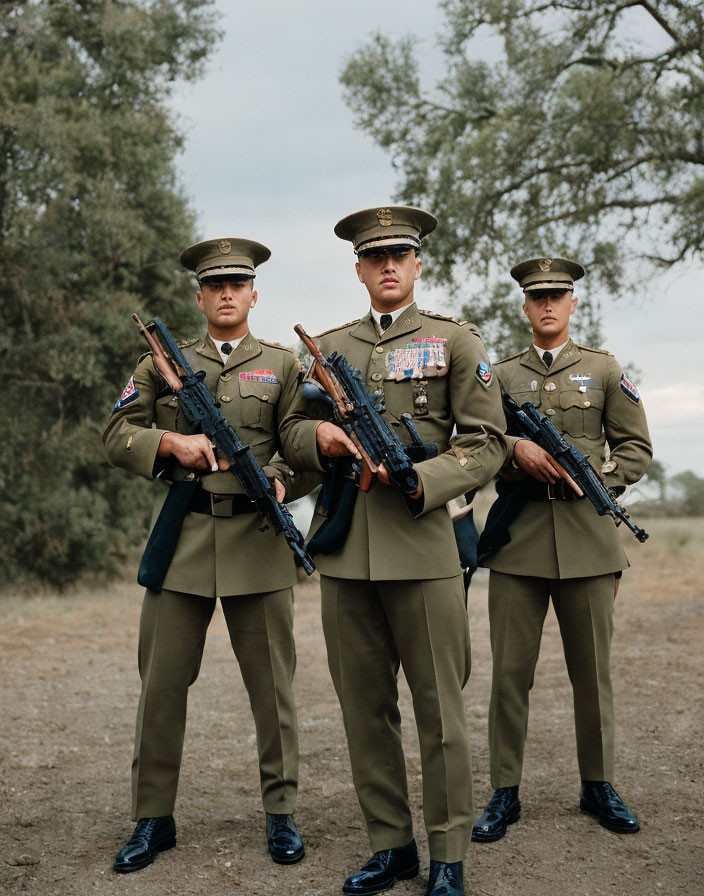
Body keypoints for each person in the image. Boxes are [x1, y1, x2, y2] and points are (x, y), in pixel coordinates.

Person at [280, 207, 507, 896]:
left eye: (399, 254)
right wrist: (315, 442)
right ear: (358, 268)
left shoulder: (455, 341)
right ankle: (391, 846)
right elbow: (290, 429)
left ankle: (447, 855)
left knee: (440, 708)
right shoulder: (322, 346)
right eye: (373, 256)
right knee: (364, 707)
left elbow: (487, 441)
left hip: (425, 547)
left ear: (416, 264)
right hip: (348, 554)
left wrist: (419, 478)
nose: (386, 265)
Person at [103, 238, 315, 873]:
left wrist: (281, 480)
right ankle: (152, 818)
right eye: (214, 284)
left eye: (237, 284)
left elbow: (305, 450)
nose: (226, 293)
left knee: (273, 689)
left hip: (257, 540)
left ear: (254, 294)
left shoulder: (282, 366)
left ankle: (281, 815)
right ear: (199, 296)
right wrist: (171, 442)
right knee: (161, 686)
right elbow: (116, 432)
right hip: (185, 541)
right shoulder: (161, 363)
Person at [472, 256, 652, 844]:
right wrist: (516, 450)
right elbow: (477, 443)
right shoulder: (497, 375)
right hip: (519, 542)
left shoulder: (603, 369)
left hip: (587, 543)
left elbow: (634, 449)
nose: (547, 305)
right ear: (524, 307)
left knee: (592, 674)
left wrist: (593, 473)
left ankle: (597, 784)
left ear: (573, 304)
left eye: (558, 295)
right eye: (537, 296)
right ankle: (504, 791)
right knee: (509, 675)